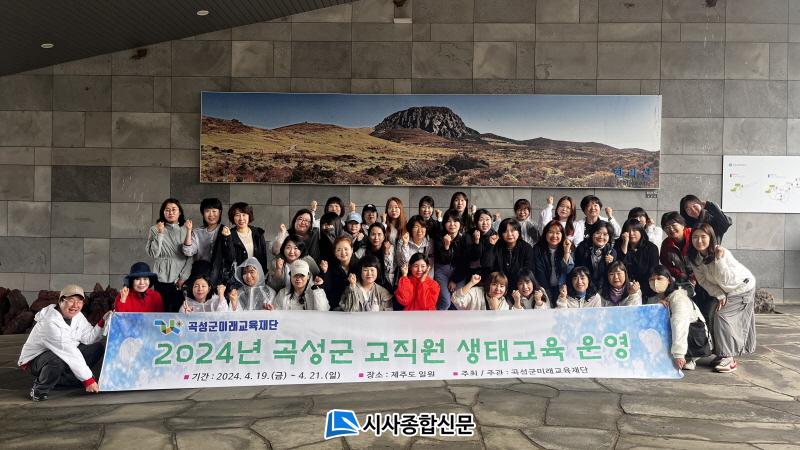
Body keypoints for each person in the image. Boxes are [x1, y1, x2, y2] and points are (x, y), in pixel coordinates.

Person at [19, 285, 109, 401]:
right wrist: (88, 380)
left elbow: (89, 338)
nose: (75, 305)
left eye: (79, 301)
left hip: (63, 353)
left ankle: (63, 381)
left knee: (96, 348)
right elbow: (68, 352)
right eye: (71, 300)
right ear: (61, 301)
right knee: (57, 360)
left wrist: (102, 322)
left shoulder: (77, 316)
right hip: (35, 360)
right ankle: (39, 390)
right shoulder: (50, 322)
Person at [688, 224, 756, 373]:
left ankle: (729, 358)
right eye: (695, 237)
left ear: (711, 238)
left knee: (722, 316)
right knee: (711, 315)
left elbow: (726, 281)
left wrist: (719, 260)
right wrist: (719, 295)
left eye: (703, 237)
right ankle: (721, 353)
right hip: (725, 291)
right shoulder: (695, 258)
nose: (699, 240)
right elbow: (703, 281)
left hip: (742, 287)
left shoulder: (721, 252)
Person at [649, 265, 711, 371]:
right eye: (652, 279)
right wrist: (657, 308)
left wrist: (679, 354)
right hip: (678, 337)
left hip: (694, 338)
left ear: (668, 280)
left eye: (659, 278)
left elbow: (680, 324)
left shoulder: (678, 297)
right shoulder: (656, 298)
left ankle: (689, 358)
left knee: (677, 325)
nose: (655, 282)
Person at [146, 198, 193, 312]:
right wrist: (160, 234)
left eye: (174, 209)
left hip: (180, 276)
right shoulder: (155, 229)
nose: (170, 212)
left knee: (181, 312)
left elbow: (190, 256)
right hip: (161, 276)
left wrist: (183, 277)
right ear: (163, 212)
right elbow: (154, 253)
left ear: (179, 212)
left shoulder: (186, 229)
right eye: (167, 210)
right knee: (161, 310)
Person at [481, 218, 534, 290]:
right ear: (501, 233)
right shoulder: (496, 245)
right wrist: (491, 246)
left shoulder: (526, 248)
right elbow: (486, 264)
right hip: (498, 287)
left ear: (518, 232)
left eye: (512, 230)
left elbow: (528, 271)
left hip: (519, 287)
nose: (509, 234)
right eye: (505, 231)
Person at [532, 220, 574, 306]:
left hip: (563, 288)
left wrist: (566, 252)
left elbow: (568, 270)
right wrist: (546, 293)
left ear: (562, 235)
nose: (554, 236)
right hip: (544, 288)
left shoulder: (569, 246)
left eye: (558, 233)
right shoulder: (537, 249)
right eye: (551, 232)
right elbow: (539, 272)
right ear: (545, 234)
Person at [614, 218, 660, 299]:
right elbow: (619, 267)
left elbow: (653, 271)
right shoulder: (617, 246)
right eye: (628, 231)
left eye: (635, 230)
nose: (631, 233)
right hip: (624, 289)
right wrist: (625, 244)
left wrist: (639, 288)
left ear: (641, 231)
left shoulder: (651, 248)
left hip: (647, 288)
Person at [433, 209, 467, 310]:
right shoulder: (439, 237)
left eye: (455, 221)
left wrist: (455, 280)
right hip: (442, 270)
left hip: (459, 271)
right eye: (448, 221)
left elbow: (464, 262)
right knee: (445, 301)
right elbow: (442, 260)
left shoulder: (465, 238)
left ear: (460, 223)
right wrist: (446, 247)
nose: (452, 224)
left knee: (458, 301)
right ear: (444, 224)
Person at [223, 202, 269, 276]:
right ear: (233, 217)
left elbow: (263, 257)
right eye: (237, 215)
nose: (241, 218)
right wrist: (228, 238)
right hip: (237, 277)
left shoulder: (258, 233)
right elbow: (230, 258)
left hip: (256, 276)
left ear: (249, 216)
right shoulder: (229, 235)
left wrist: (263, 275)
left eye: (244, 214)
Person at [574, 221, 617, 292]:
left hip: (604, 289)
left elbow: (613, 276)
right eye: (598, 233)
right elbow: (577, 269)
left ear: (609, 237)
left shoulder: (612, 252)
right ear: (592, 234)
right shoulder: (582, 247)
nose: (601, 237)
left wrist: (610, 265)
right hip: (584, 287)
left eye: (605, 234)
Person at [322, 236, 360, 311]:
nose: (343, 253)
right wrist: (325, 272)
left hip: (356, 305)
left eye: (346, 249)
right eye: (339, 250)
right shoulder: (329, 265)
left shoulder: (359, 265)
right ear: (335, 252)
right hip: (335, 307)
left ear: (352, 250)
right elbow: (328, 289)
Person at [182, 198, 224, 264]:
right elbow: (188, 252)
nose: (211, 215)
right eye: (207, 211)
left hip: (220, 270)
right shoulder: (197, 232)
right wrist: (189, 230)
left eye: (214, 211)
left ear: (220, 212)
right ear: (203, 213)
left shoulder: (225, 231)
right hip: (201, 269)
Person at [464, 208, 496, 280]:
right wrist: (476, 241)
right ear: (476, 222)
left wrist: (491, 245)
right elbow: (473, 257)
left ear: (491, 221)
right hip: (472, 273)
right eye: (481, 220)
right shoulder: (469, 235)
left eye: (487, 220)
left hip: (490, 274)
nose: (485, 223)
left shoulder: (495, 236)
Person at [363, 223, 395, 291]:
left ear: (384, 236)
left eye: (379, 234)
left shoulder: (390, 248)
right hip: (368, 284)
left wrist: (386, 253)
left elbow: (390, 270)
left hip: (386, 284)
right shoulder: (363, 250)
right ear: (368, 236)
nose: (376, 238)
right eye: (373, 234)